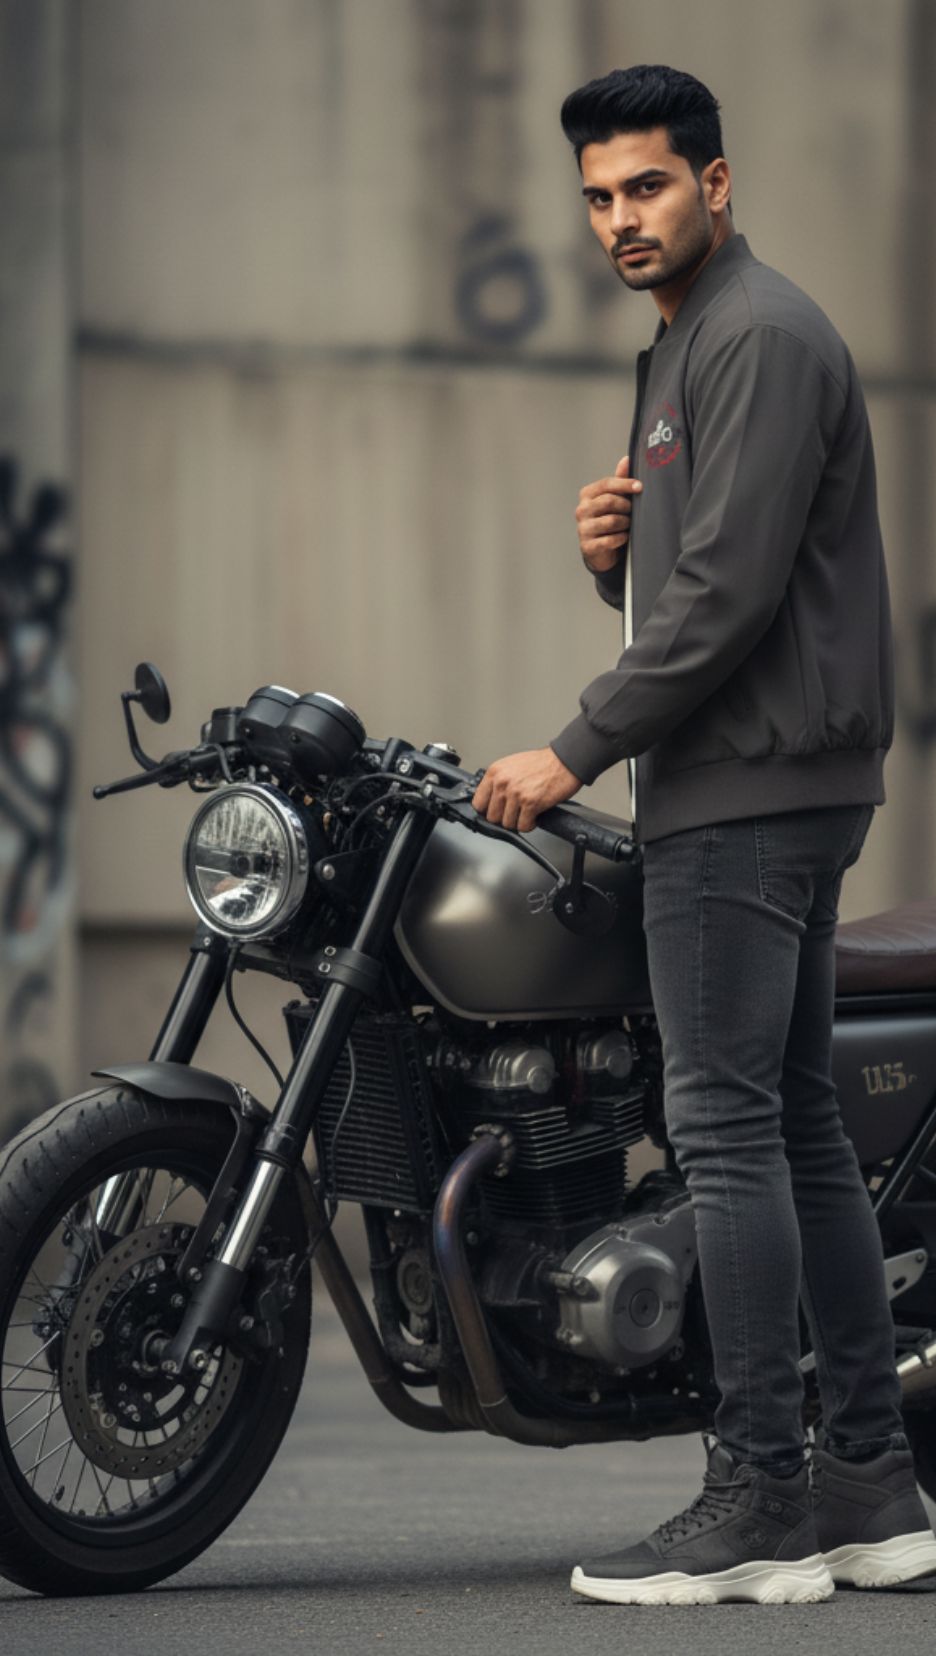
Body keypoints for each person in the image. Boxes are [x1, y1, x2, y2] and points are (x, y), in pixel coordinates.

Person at [470, 63, 936, 1606]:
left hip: (742, 795)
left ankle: (756, 1502)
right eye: (599, 196)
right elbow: (700, 577)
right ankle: (869, 1488)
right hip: (764, 780)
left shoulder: (759, 336)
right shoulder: (686, 346)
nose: (621, 217)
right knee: (796, 1131)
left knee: (726, 1131)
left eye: (648, 186)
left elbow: (727, 601)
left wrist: (572, 745)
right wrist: (604, 548)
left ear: (717, 183)